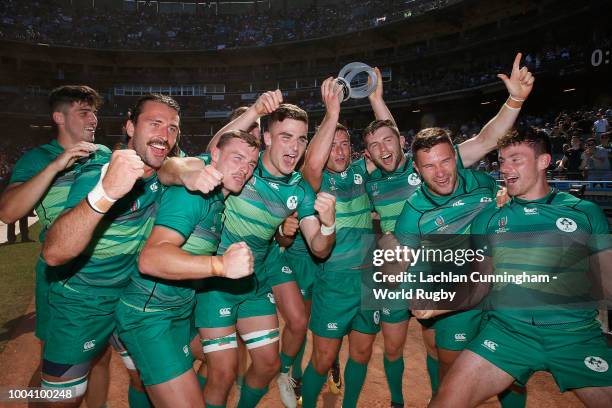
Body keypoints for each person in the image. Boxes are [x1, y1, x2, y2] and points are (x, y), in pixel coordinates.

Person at [363, 54, 533, 406]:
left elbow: (488, 138)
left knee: (513, 374)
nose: (438, 172)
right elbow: (398, 260)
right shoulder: (401, 199)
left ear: (454, 156)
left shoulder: (476, 178)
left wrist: (515, 99)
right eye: (429, 167)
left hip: (499, 282)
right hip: (441, 277)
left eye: (444, 162)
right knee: (445, 360)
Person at [158, 93, 337, 408]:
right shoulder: (244, 168)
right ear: (267, 137)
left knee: (268, 364)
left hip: (254, 282)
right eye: (285, 137)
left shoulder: (300, 189)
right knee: (223, 371)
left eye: (300, 139)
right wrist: (254, 110)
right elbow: (215, 151)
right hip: (215, 282)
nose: (294, 148)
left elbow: (319, 250)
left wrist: (328, 225)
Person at [430, 129, 612, 408]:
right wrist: (434, 303)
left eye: (516, 160)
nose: (506, 169)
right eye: (502, 161)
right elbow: (479, 284)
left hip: (575, 336)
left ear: (544, 161)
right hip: (508, 334)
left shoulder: (586, 213)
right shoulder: (488, 220)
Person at [39, 93, 181, 408]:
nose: (165, 134)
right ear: (130, 127)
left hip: (130, 300)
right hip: (83, 302)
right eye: (154, 123)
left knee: (144, 380)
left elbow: (213, 154)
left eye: (172, 127)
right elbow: (54, 252)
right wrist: (105, 193)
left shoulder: (160, 171)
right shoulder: (100, 170)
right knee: (59, 400)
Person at [116, 130, 260, 407]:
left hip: (178, 314)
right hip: (148, 316)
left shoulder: (218, 201)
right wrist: (220, 265)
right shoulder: (192, 196)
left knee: (223, 363)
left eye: (251, 163)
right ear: (214, 155)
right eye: (238, 158)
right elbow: (151, 259)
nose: (244, 169)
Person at [0, 85, 112, 407]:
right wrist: (56, 166)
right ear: (58, 117)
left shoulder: (103, 154)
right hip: (61, 274)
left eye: (94, 112)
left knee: (100, 357)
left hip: (105, 272)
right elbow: (8, 211)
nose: (93, 118)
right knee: (56, 366)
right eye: (83, 112)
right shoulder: (38, 158)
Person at [299, 78, 378, 408]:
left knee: (361, 354)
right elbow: (312, 164)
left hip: (368, 281)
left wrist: (376, 99)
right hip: (334, 284)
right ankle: (305, 399)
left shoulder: (362, 171)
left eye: (345, 144)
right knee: (322, 358)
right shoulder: (315, 180)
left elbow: (391, 150)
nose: (340, 151)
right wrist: (332, 113)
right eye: (333, 144)